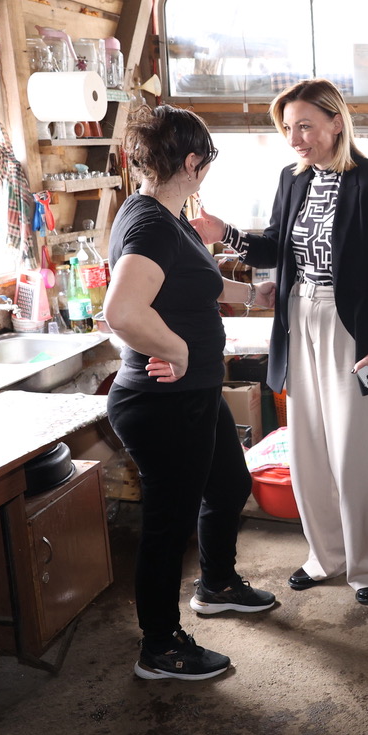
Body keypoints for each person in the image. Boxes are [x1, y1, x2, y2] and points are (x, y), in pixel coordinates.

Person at [191, 78, 368, 606]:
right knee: (307, 449)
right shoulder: (292, 180)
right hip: (296, 318)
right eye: (288, 128)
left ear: (336, 122)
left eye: (305, 126)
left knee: (354, 453)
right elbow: (274, 246)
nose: (295, 139)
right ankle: (325, 555)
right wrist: (225, 233)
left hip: (350, 325)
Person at [104, 104, 277, 682]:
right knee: (168, 524)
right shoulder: (153, 224)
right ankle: (160, 647)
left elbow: (187, 280)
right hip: (163, 402)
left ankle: (218, 584)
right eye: (207, 163)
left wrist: (252, 295)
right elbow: (122, 311)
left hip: (194, 394)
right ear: (193, 162)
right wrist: (177, 349)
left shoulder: (161, 214)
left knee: (229, 485)